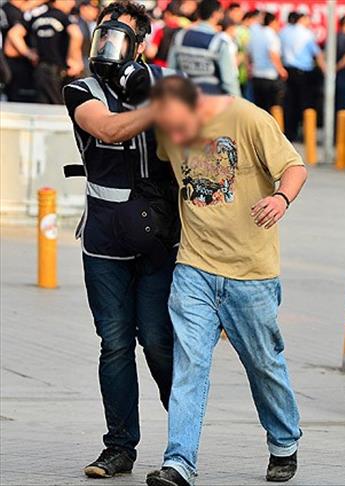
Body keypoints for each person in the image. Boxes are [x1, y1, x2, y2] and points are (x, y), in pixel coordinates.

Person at [145, 75, 307, 486]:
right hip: (194, 267)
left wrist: (281, 198)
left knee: (263, 364)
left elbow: (294, 167)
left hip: (250, 274)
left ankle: (284, 441)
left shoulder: (248, 118)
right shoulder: (168, 126)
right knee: (189, 365)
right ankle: (179, 463)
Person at [61, 0, 179, 477]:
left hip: (159, 237)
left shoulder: (165, 82)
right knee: (113, 343)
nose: (111, 43)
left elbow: (199, 131)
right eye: (105, 33)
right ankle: (119, 447)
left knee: (158, 341)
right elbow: (107, 128)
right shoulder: (82, 89)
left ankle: (183, 440)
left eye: (122, 35)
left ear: (141, 44)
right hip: (105, 238)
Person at [8, 0, 83, 104]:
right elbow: (76, 34)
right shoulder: (63, 17)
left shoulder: (37, 16)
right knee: (59, 107)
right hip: (59, 70)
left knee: (42, 107)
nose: (72, 4)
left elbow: (14, 33)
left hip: (41, 69)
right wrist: (73, 59)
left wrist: (28, 53)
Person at [168, 0, 240, 97]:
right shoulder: (219, 42)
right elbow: (228, 80)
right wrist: (237, 99)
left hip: (184, 96)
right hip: (211, 98)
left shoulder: (180, 36)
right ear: (216, 14)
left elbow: (171, 71)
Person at [281, 12, 325, 141]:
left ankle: (290, 133)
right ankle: (306, 135)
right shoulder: (306, 34)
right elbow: (317, 54)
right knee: (305, 104)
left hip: (288, 72)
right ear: (301, 19)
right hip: (304, 74)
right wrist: (326, 71)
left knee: (290, 103)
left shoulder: (284, 32)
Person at [1, 0, 40, 102]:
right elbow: (13, 36)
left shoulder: (8, 9)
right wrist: (28, 53)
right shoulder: (11, 12)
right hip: (16, 64)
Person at [248, 11, 286, 112]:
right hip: (270, 76)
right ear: (272, 22)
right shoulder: (271, 35)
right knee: (272, 109)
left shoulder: (255, 34)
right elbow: (272, 54)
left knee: (259, 108)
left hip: (256, 75)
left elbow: (249, 54)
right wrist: (281, 70)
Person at [145, 0, 182, 68]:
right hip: (176, 67)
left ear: (167, 14)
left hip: (159, 67)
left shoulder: (161, 31)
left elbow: (151, 54)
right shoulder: (183, 31)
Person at [75, 0, 99, 75]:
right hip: (80, 64)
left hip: (85, 63)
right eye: (92, 8)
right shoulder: (77, 25)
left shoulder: (86, 24)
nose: (96, 11)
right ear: (83, 9)